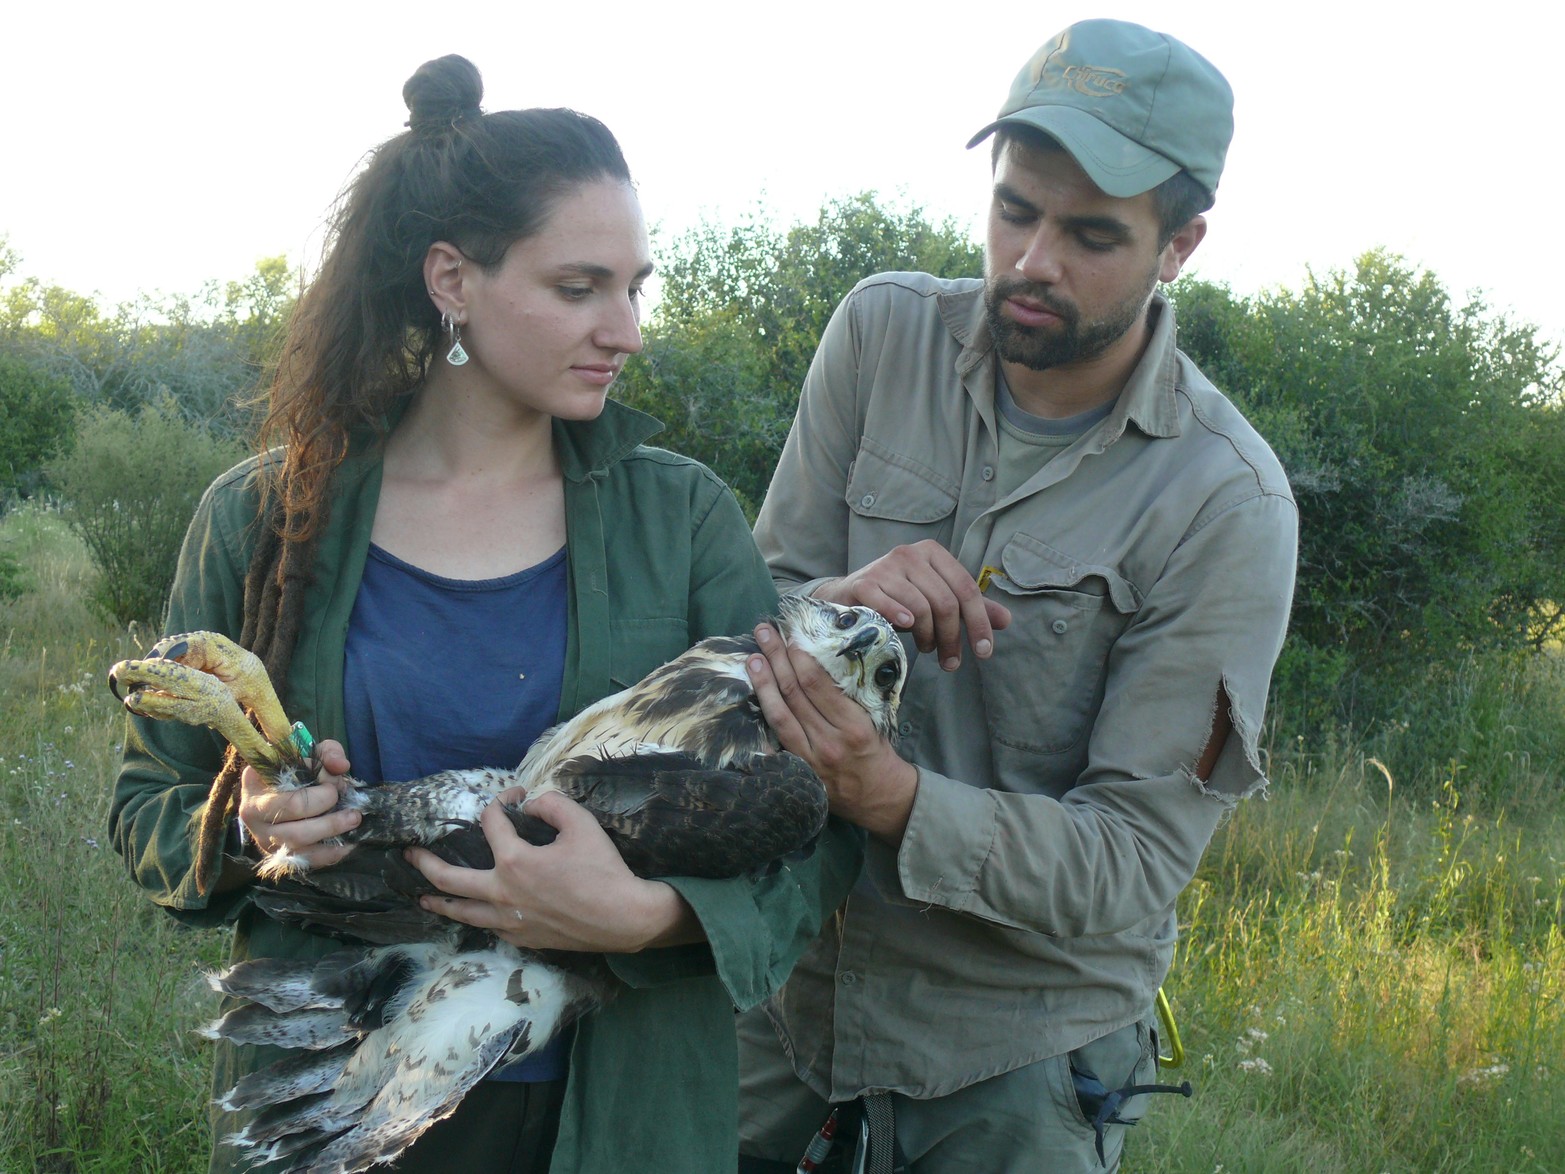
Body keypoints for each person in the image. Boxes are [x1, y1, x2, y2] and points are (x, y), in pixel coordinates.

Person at [108, 55, 860, 1174]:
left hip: (616, 1116)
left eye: (634, 287)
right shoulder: (266, 519)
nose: (626, 328)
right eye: (579, 288)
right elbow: (146, 808)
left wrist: (649, 917)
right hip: (333, 1100)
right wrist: (249, 825)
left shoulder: (686, 522)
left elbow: (811, 830)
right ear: (452, 279)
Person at [737, 18, 1298, 1173]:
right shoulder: (878, 333)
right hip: (782, 987)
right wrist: (839, 601)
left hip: (1011, 1055)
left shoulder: (1222, 499)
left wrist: (887, 796)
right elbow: (759, 603)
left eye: (1090, 233)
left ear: (1179, 244)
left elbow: (1133, 860)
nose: (1032, 261)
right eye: (1013, 210)